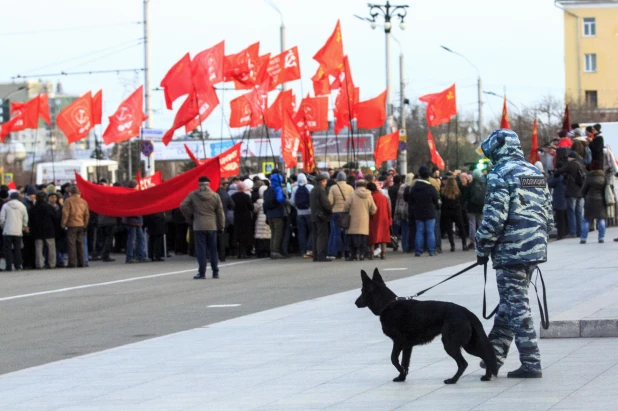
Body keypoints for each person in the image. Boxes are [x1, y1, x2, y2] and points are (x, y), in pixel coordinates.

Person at [476, 129, 553, 379]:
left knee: (516, 305)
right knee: (510, 303)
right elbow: (548, 214)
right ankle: (493, 357)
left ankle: (531, 362)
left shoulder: (500, 173)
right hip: (534, 248)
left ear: (497, 149)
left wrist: (482, 247)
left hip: (511, 250)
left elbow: (494, 218)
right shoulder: (534, 172)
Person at [180, 176, 225, 279]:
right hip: (212, 225)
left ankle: (202, 273)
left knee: (201, 250)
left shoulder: (193, 194)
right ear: (209, 184)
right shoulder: (215, 195)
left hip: (198, 225)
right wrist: (221, 226)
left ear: (199, 184)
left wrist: (190, 216)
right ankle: (215, 272)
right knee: (213, 249)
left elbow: (183, 205)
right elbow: (220, 213)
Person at [554, 151, 586, 237]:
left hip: (572, 192)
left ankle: (573, 232)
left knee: (571, 212)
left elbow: (560, 171)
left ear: (571, 157)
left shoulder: (571, 164)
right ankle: (580, 232)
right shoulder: (581, 165)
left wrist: (555, 172)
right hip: (581, 192)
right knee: (579, 213)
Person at [343, 180, 376, 261]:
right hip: (365, 219)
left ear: (356, 186)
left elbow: (346, 206)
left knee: (353, 239)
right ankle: (362, 254)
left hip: (353, 220)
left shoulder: (352, 194)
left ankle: (353, 255)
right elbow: (373, 209)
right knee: (363, 239)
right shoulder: (369, 195)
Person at [410, 166, 439, 257]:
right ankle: (431, 250)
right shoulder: (431, 188)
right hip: (430, 212)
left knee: (419, 231)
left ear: (419, 175)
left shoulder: (414, 188)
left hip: (418, 212)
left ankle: (418, 250)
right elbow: (436, 200)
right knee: (430, 232)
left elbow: (411, 200)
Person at [61, 185, 90, 268]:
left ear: (70, 192)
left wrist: (63, 224)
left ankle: (73, 263)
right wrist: (85, 224)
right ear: (78, 193)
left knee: (71, 244)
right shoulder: (83, 202)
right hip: (81, 224)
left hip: (72, 225)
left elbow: (65, 213)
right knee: (80, 244)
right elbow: (86, 215)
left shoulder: (68, 201)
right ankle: (82, 262)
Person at [327, 171, 353, 259]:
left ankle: (335, 252)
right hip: (346, 212)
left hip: (336, 212)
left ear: (337, 179)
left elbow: (330, 201)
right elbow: (352, 201)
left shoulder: (333, 188)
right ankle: (347, 251)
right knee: (346, 232)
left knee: (336, 233)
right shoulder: (350, 188)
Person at [0, 192, 28, 271]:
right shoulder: (22, 206)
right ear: (18, 197)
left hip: (7, 231)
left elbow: (2, 219)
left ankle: (8, 266)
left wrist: (3, 227)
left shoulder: (5, 206)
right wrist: (23, 227)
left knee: (7, 249)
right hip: (18, 231)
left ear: (10, 197)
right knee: (17, 249)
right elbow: (25, 219)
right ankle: (17, 265)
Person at [29, 192, 57, 269]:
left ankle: (39, 264)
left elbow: (30, 220)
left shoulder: (33, 208)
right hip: (49, 230)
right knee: (51, 248)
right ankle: (52, 264)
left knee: (38, 249)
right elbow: (55, 218)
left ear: (36, 198)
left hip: (37, 231)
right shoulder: (49, 207)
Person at [122, 181, 148, 264]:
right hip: (132, 220)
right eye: (137, 186)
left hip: (137, 220)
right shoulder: (131, 196)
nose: (138, 187)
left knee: (141, 238)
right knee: (132, 239)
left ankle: (140, 255)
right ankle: (129, 256)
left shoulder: (136, 195)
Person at [441, 177, 468, 252]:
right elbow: (462, 201)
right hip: (457, 211)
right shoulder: (458, 192)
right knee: (461, 227)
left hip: (447, 212)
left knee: (449, 229)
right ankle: (464, 245)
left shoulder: (444, 192)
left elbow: (443, 202)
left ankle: (452, 246)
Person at [580, 169, 607, 244]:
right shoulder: (604, 178)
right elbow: (606, 190)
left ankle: (583, 238)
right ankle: (601, 237)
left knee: (587, 219)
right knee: (601, 219)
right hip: (601, 200)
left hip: (590, 200)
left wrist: (585, 197)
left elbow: (583, 190)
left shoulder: (589, 178)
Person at [310, 174, 332, 262]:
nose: (326, 183)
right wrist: (330, 210)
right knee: (322, 236)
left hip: (314, 216)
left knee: (315, 236)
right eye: (325, 181)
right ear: (321, 182)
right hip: (321, 216)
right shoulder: (321, 190)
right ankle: (321, 255)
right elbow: (325, 204)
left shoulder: (313, 190)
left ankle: (315, 255)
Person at [264, 172, 287, 259]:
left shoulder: (268, 189)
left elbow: (264, 203)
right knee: (277, 233)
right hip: (277, 213)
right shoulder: (277, 188)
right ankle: (275, 251)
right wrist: (284, 197)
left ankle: (272, 250)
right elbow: (280, 199)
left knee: (273, 233)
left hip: (269, 214)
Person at [291, 173, 313, 258]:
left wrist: (297, 208)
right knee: (312, 231)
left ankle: (303, 250)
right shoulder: (310, 187)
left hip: (299, 213)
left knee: (301, 232)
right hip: (309, 212)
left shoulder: (295, 189)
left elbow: (292, 201)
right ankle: (309, 249)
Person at [367, 182, 392, 260]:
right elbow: (388, 209)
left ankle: (371, 253)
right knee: (383, 237)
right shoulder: (383, 197)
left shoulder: (371, 197)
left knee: (372, 237)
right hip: (384, 218)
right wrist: (389, 219)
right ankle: (383, 253)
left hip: (373, 218)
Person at [231, 181, 254, 258]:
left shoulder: (233, 196)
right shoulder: (246, 196)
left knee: (237, 234)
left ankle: (238, 252)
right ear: (244, 188)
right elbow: (251, 207)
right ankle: (245, 252)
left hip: (237, 217)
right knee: (245, 235)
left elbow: (231, 206)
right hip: (246, 218)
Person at [464, 169, 486, 249]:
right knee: (480, 224)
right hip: (481, 207)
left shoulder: (470, 185)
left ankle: (472, 241)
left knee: (472, 224)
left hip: (471, 208)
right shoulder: (483, 185)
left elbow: (465, 196)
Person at [548, 172, 568, 239]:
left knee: (560, 219)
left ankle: (560, 235)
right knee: (564, 218)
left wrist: (552, 176)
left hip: (559, 201)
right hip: (565, 200)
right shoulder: (564, 178)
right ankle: (565, 232)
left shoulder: (558, 179)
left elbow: (550, 183)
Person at [253, 185, 271, 258]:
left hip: (259, 220)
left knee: (260, 237)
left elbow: (255, 210)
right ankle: (268, 250)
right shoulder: (268, 200)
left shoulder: (258, 201)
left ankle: (260, 252)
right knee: (268, 235)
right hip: (267, 219)